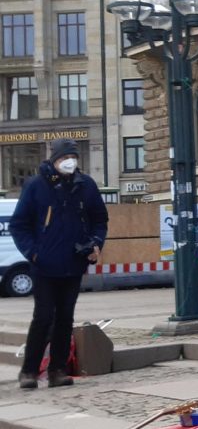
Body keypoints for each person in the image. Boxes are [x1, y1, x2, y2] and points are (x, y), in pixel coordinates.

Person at [11, 139, 108, 389]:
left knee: (65, 318)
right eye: (66, 157)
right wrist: (33, 253)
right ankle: (29, 371)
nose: (70, 161)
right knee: (43, 316)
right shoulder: (36, 185)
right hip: (44, 265)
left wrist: (96, 243)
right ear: (54, 159)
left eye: (74, 157)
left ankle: (58, 369)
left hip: (73, 263)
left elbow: (99, 219)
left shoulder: (86, 185)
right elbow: (19, 225)